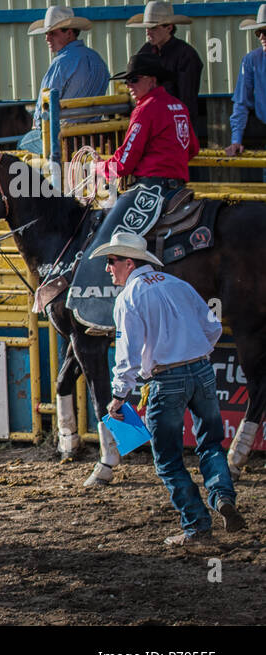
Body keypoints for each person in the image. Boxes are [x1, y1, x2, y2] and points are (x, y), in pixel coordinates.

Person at [90, 231, 246, 545]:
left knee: (168, 460)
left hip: (166, 379)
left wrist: (119, 396)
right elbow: (213, 328)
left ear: (128, 262)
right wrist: (193, 350)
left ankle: (197, 526)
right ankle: (222, 496)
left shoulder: (129, 298)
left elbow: (127, 356)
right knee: (211, 443)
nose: (108, 269)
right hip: (201, 370)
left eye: (111, 261)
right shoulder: (177, 284)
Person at [67, 53, 198, 334]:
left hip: (150, 189)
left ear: (151, 80)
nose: (129, 85)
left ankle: (99, 313)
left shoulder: (147, 109)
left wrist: (98, 167)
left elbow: (124, 161)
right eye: (127, 80)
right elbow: (193, 148)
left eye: (134, 80)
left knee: (107, 236)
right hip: (178, 187)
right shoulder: (178, 107)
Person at [18, 5, 110, 155]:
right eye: (47, 33)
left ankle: (40, 178)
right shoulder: (97, 60)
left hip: (63, 137)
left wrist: (37, 126)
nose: (47, 38)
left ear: (69, 33)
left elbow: (43, 107)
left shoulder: (61, 62)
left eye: (52, 33)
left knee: (22, 144)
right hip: (93, 134)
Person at [129, 1, 203, 124]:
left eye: (153, 28)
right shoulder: (145, 51)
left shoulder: (186, 55)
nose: (148, 32)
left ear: (169, 27)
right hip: (150, 119)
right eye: (147, 28)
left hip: (174, 120)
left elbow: (186, 99)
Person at [226, 4, 266, 173]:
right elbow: (241, 102)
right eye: (259, 32)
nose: (262, 36)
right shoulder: (251, 60)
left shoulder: (252, 60)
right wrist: (236, 139)